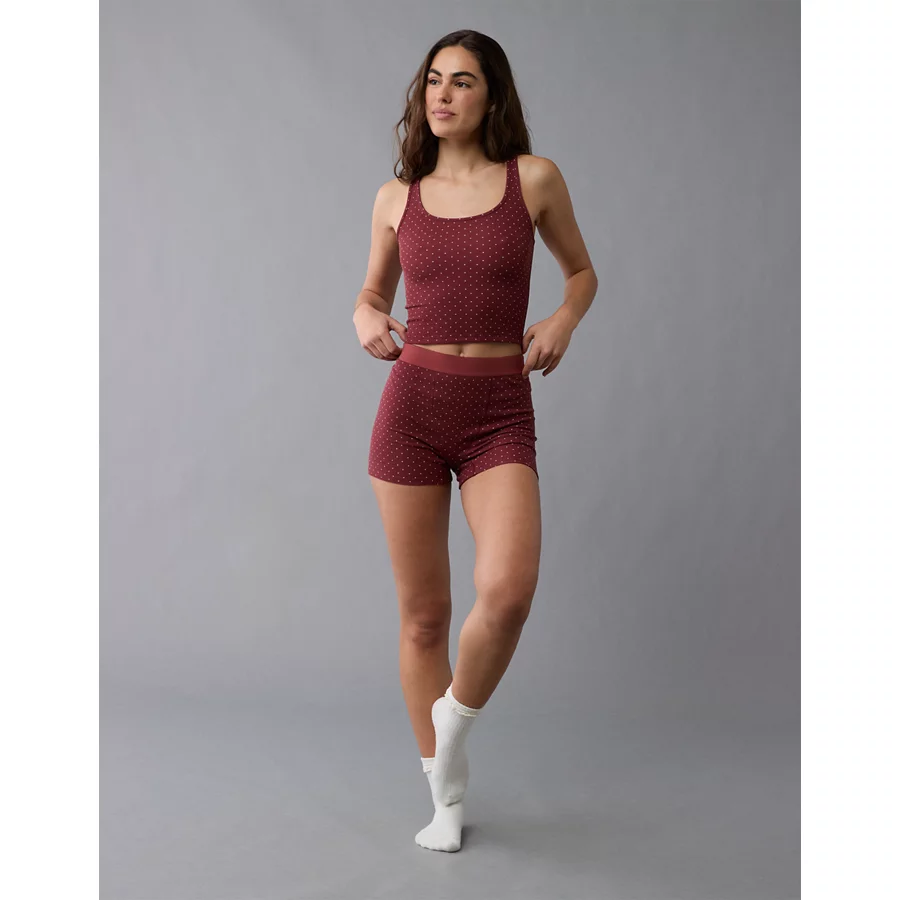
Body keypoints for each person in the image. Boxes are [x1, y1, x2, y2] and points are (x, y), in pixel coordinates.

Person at [352, 29, 597, 852]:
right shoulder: (397, 197)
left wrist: (562, 319)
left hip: (498, 411)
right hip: (412, 411)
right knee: (424, 618)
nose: (443, 94)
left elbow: (582, 272)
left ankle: (452, 721)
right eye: (433, 80)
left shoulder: (533, 180)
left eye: (462, 81)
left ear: (492, 97)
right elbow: (371, 293)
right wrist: (363, 314)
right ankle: (445, 796)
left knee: (508, 591)